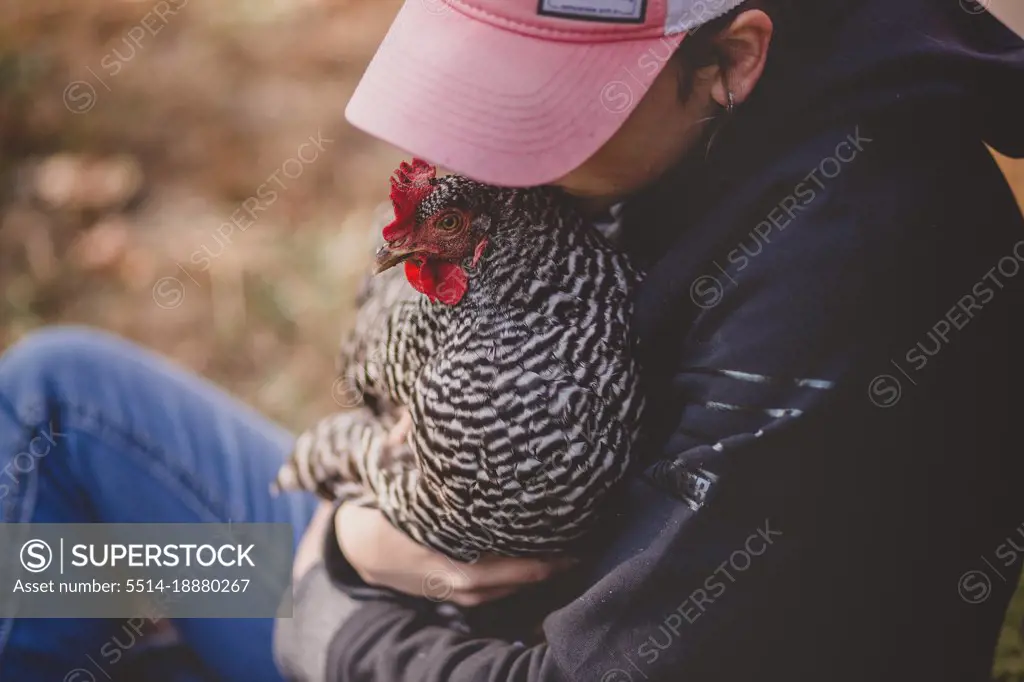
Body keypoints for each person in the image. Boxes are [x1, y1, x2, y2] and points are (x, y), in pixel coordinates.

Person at [2, 0, 1023, 680]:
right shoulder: (678, 131)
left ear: (731, 58)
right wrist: (361, 540)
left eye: (548, 112)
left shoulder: (848, 267)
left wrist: (331, 604)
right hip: (409, 562)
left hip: (457, 640)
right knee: (60, 408)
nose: (492, 155)